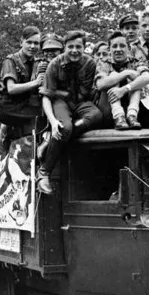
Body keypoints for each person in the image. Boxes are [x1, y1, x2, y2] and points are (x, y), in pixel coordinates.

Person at [38, 30, 103, 194]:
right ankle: (43, 172)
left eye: (78, 47)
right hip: (61, 104)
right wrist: (52, 121)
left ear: (84, 47)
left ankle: (50, 141)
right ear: (64, 48)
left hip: (80, 103)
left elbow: (90, 91)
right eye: (71, 47)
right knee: (62, 127)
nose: (75, 50)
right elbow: (46, 96)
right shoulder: (54, 64)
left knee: (96, 115)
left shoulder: (90, 63)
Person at [94, 30, 149, 130]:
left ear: (128, 48)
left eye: (122, 46)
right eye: (114, 46)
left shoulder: (135, 61)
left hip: (132, 105)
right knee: (113, 75)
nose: (118, 49)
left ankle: (131, 115)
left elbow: (147, 77)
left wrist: (125, 89)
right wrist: (126, 73)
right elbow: (100, 84)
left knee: (137, 81)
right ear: (110, 50)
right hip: (108, 108)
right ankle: (119, 116)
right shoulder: (104, 63)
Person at [0, 26, 44, 131]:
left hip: (24, 105)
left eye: (36, 43)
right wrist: (36, 82)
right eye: (29, 42)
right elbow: (11, 89)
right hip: (8, 107)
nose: (32, 46)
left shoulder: (38, 63)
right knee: (40, 114)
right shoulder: (10, 61)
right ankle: (5, 131)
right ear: (21, 42)